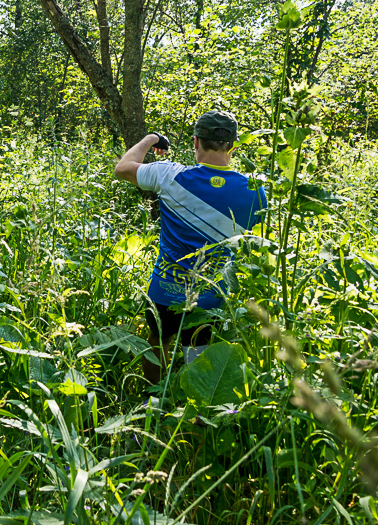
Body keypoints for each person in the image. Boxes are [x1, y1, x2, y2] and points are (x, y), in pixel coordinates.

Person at [113, 110, 267, 383]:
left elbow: (122, 168)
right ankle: (195, 418)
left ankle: (153, 402)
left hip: (165, 289)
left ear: (195, 142)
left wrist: (151, 139)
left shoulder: (169, 175)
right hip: (210, 295)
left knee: (157, 341)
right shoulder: (254, 190)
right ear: (233, 144)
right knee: (199, 353)